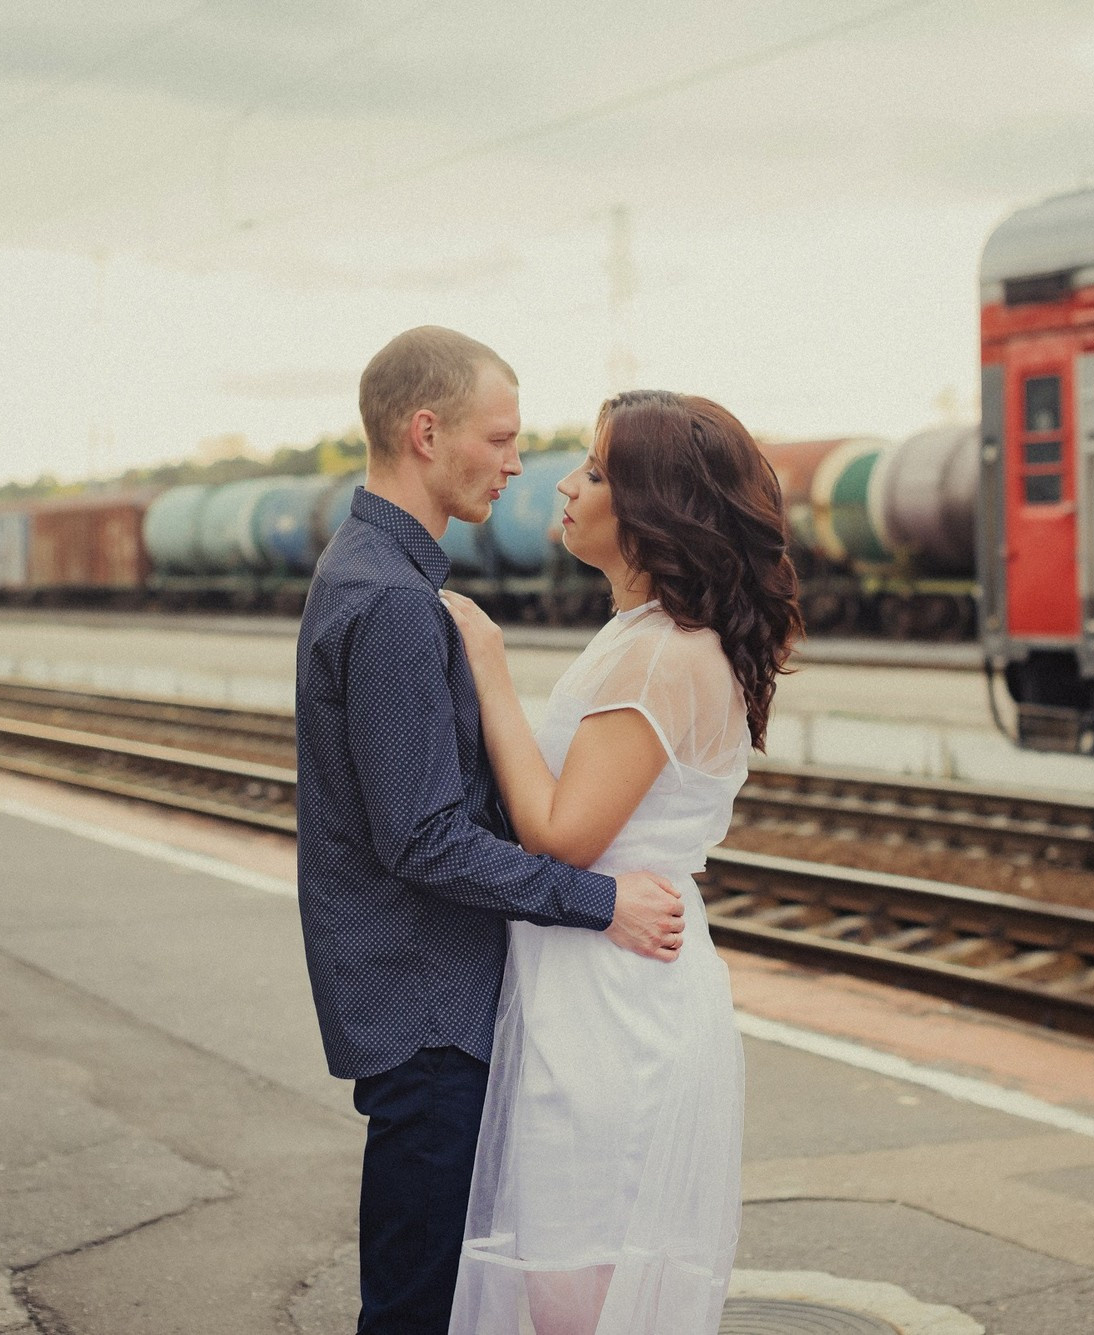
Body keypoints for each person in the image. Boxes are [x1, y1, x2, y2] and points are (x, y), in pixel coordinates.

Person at [295, 328, 690, 1335]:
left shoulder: (385, 577)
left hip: (428, 997)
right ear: (426, 434)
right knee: (416, 1309)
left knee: (432, 1296)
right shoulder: (388, 600)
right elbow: (423, 840)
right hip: (428, 1010)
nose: (519, 465)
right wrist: (600, 903)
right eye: (501, 437)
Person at [441, 390, 803, 1334]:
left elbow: (561, 834)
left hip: (613, 1004)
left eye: (596, 471)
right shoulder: (654, 639)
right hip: (608, 978)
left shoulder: (657, 657)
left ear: (656, 507)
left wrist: (486, 665)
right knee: (583, 1270)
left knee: (577, 1278)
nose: (562, 483)